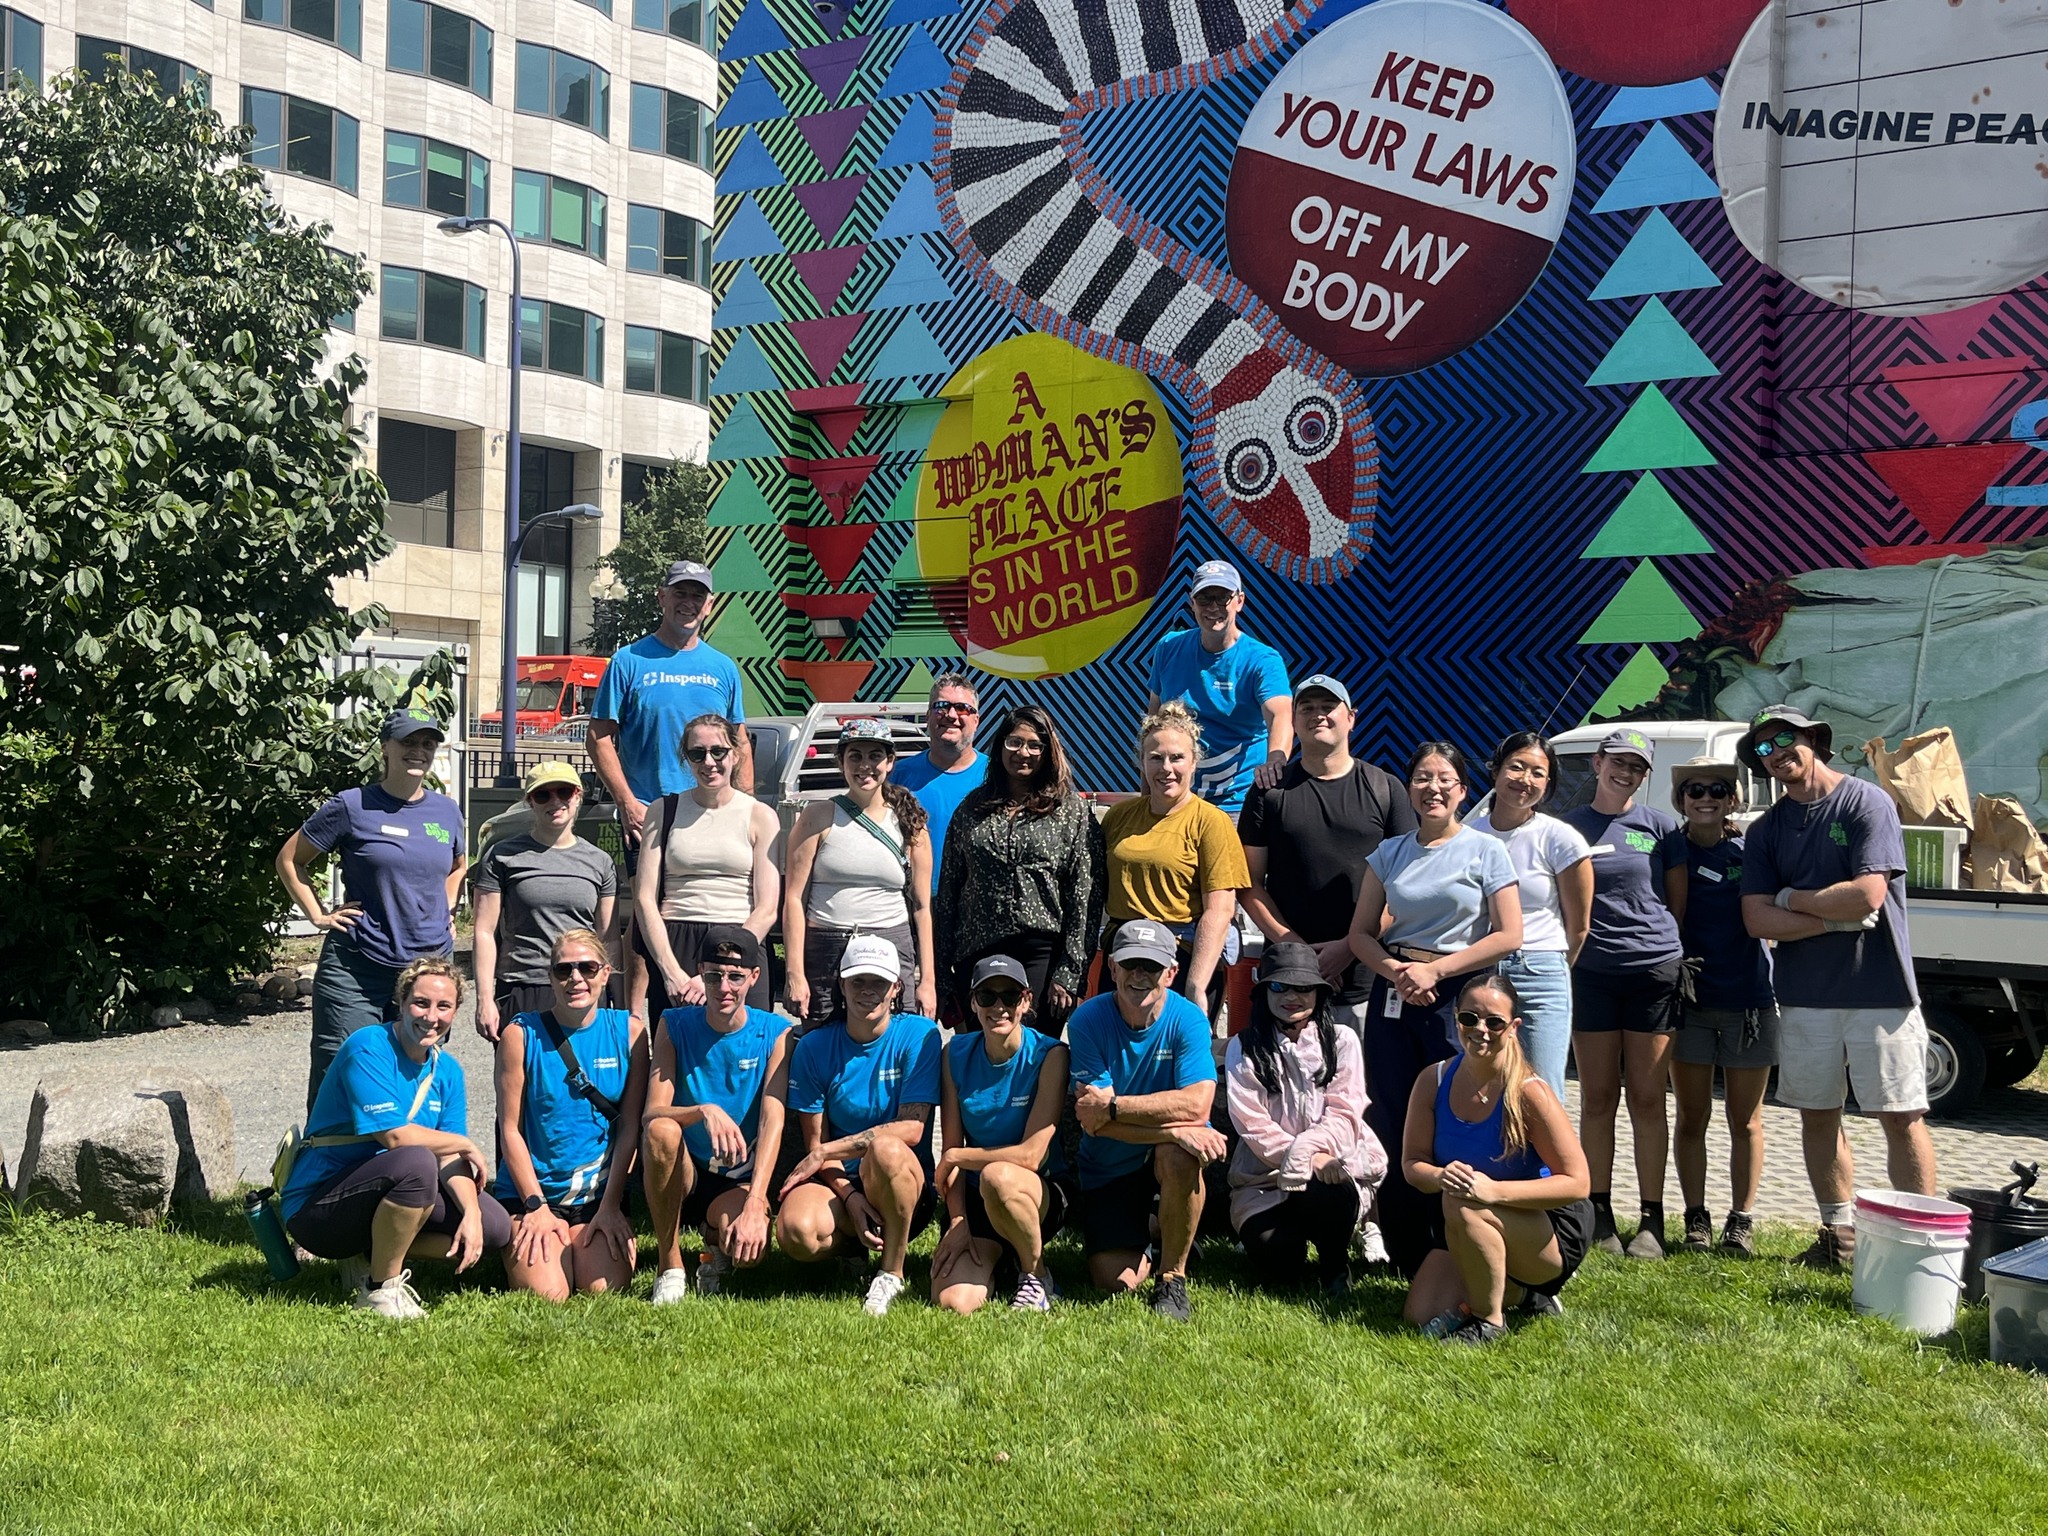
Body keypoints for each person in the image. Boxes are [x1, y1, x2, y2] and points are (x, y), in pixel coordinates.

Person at [1738, 706, 1937, 1271]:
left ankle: (1918, 1243)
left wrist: (1789, 898)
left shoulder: (1866, 802)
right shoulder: (1766, 830)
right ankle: (1838, 1236)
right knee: (1818, 1116)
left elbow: (1868, 896)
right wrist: (1830, 918)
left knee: (1900, 1116)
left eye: (1784, 738)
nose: (1776, 753)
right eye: (1762, 748)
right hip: (1804, 996)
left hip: (1882, 991)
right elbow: (1756, 919)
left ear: (1812, 739)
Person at [1346, 741, 1523, 1279]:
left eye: (1445, 779)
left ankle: (1461, 1240)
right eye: (1423, 778)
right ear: (1409, 789)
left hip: (1460, 997)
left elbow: (1509, 934)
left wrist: (1437, 972)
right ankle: (1404, 1250)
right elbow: (1360, 935)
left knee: (1457, 1111)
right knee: (1395, 1114)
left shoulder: (1486, 851)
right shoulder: (1389, 853)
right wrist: (1399, 972)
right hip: (1396, 992)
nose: (1433, 788)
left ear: (1463, 790)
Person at [280, 957, 508, 1319]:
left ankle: (373, 1253)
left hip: (387, 1185)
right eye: (420, 1003)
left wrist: (471, 1214)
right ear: (400, 1003)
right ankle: (379, 1290)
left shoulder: (447, 1071)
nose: (431, 1016)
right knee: (416, 1162)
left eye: (443, 1006)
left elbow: (448, 1157)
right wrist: (466, 1144)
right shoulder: (369, 1046)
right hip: (318, 1206)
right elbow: (396, 1138)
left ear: (455, 1012)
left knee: (495, 1226)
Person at [277, 707, 466, 1110]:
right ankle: (327, 1152)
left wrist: (447, 911)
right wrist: (317, 915)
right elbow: (290, 859)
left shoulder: (447, 811)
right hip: (357, 965)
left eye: (427, 743)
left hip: (427, 966)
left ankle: (406, 1150)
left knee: (414, 1073)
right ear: (385, 747)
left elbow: (457, 867)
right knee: (343, 1072)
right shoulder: (352, 805)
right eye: (408, 742)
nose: (419, 751)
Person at [586, 559, 750, 1018]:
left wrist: (747, 805)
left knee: (707, 912)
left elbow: (739, 741)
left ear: (709, 604)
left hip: (714, 812)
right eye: (680, 593)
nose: (688, 603)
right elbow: (599, 737)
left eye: (698, 595)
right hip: (652, 813)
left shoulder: (723, 668)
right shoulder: (628, 661)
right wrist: (627, 802)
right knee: (645, 918)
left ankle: (707, 1007)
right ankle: (635, 1021)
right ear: (662, 598)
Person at [1400, 973, 1594, 1345]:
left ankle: (1489, 1322)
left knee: (1463, 1202)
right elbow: (1413, 1165)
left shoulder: (1529, 1092)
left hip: (1548, 1230)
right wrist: (1440, 1176)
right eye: (1469, 1018)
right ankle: (1522, 1294)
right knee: (1420, 1313)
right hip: (1469, 1214)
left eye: (1494, 1022)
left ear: (1514, 1027)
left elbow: (1578, 1183)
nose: (1481, 1030)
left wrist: (1493, 1192)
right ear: (1456, 1018)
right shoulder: (1432, 1080)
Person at [1560, 727, 1685, 1261]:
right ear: (1597, 763)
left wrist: (1656, 947)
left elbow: (1675, 901)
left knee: (1648, 1098)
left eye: (1637, 767)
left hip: (1652, 972)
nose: (1626, 773)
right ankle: (1598, 1213)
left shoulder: (1661, 827)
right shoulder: (1567, 828)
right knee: (1597, 1098)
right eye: (1618, 762)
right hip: (1591, 974)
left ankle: (1652, 1219)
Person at [1066, 920, 1229, 1322]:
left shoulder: (1189, 1019)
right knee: (1113, 1281)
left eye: (1152, 967)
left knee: (1180, 1157)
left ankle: (1172, 1278)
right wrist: (1175, 1130)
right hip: (1108, 1163)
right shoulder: (1086, 1020)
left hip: (1164, 1154)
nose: (1139, 975)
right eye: (1130, 964)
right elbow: (1093, 1122)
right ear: (1112, 968)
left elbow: (1198, 1104)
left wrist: (1114, 1107)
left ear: (1171, 973)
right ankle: (1160, 1228)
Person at [1239, 673, 1416, 1041]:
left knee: (1360, 1078)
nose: (1318, 714)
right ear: (1294, 721)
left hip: (1365, 982)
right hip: (1285, 983)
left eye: (1328, 706)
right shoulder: (1268, 793)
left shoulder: (1386, 788)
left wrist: (1350, 947)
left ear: (1351, 718)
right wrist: (1299, 952)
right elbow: (1249, 885)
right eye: (1307, 707)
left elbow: (1406, 887)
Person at [776, 936, 943, 1315]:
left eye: (879, 983)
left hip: (903, 1186)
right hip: (841, 1183)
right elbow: (814, 1143)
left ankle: (891, 1272)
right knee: (796, 1231)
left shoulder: (919, 1035)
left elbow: (912, 1129)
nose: (868, 991)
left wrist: (826, 1150)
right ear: (842, 985)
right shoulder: (814, 1047)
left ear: (896, 987)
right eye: (858, 981)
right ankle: (851, 1250)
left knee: (886, 1148)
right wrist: (850, 1197)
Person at [641, 925, 795, 1303]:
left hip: (738, 1176)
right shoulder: (673, 1023)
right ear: (700, 973)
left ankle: (714, 1233)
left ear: (754, 977)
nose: (724, 987)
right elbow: (651, 1113)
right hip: (687, 1170)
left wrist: (757, 1200)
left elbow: (772, 1119)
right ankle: (670, 1266)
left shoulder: (776, 1032)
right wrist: (704, 1111)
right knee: (661, 1131)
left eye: (735, 977)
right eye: (713, 976)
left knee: (749, 1253)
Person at [1223, 942, 1387, 1296]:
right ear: (1263, 991)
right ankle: (1289, 1240)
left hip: (1332, 1166)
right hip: (1264, 1180)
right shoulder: (1243, 1046)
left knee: (1332, 1190)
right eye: (1279, 986)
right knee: (1279, 1260)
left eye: (1303, 987)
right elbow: (1253, 1125)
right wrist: (1306, 1157)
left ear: (1319, 992)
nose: (1291, 997)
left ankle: (1334, 1263)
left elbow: (1345, 1112)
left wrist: (1316, 1157)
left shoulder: (1342, 1040)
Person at [491, 929, 647, 1301]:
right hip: (532, 1193)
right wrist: (535, 1206)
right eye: (564, 970)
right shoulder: (520, 1034)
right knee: (549, 1294)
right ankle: (529, 1229)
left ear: (605, 974)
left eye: (587, 968)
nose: (575, 979)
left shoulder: (629, 1033)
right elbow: (509, 1130)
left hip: (597, 1195)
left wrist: (611, 1205)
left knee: (603, 1289)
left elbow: (629, 1126)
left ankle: (588, 1232)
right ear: (550, 977)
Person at [1662, 758, 1777, 1258]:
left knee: (1745, 1120)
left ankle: (1740, 1221)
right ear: (1680, 799)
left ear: (1732, 799)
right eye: (1694, 790)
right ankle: (1696, 1218)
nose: (1705, 798)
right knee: (1691, 1116)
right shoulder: (1669, 851)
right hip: (1690, 1003)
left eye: (1716, 790)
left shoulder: (1751, 853)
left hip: (1749, 1002)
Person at [934, 703, 1103, 1038]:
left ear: (1048, 751)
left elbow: (1085, 896)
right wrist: (942, 974)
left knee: (1036, 1053)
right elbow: (949, 890)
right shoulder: (972, 808)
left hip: (1043, 953)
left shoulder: (1072, 811)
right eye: (1014, 742)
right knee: (982, 1050)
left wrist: (1071, 971)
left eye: (1034, 745)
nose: (1023, 752)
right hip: (976, 949)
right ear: (999, 747)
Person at [929, 955, 1074, 1314]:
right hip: (977, 1195)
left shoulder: (1050, 1055)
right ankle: (1004, 1258)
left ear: (1026, 1001)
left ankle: (1036, 1275)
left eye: (1009, 996)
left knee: (998, 1177)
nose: (998, 1007)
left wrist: (958, 1157)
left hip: (1034, 1191)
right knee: (953, 1302)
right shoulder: (954, 1054)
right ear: (973, 1003)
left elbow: (1031, 1156)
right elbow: (951, 1145)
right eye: (987, 996)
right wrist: (958, 1219)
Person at [783, 717, 938, 1024]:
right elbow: (794, 899)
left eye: (875, 756)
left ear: (890, 762)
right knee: (824, 1041)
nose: (865, 766)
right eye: (855, 756)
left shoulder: (911, 824)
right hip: (828, 950)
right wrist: (795, 973)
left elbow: (922, 908)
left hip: (891, 946)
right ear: (841, 762)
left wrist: (928, 982)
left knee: (894, 1040)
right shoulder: (817, 816)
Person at [1100, 701, 1250, 1016]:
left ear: (1194, 762)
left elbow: (1220, 910)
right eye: (1155, 758)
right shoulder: (1118, 817)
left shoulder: (1211, 822)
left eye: (1177, 758)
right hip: (1122, 958)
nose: (1166, 768)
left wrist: (1196, 985)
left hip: (1179, 962)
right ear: (1141, 762)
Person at [1466, 732, 1593, 1097]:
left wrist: (1547, 966)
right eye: (1516, 767)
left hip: (1540, 972)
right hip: (1479, 972)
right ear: (1495, 770)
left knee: (1541, 1089)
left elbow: (1579, 926)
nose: (1525, 779)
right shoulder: (1468, 836)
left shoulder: (1560, 838)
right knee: (1483, 1086)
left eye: (1538, 773)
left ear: (1548, 784)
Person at [634, 714, 780, 1019]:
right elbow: (645, 898)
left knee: (747, 1044)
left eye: (718, 751)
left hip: (743, 941)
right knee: (676, 1044)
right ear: (686, 758)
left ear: (735, 755)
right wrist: (671, 971)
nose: (709, 762)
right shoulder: (663, 811)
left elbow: (767, 908)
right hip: (677, 942)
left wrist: (722, 967)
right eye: (697, 753)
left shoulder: (761, 815)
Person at [471, 761, 618, 1043]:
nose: (555, 801)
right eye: (543, 795)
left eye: (564, 792)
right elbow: (484, 931)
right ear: (530, 802)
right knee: (520, 1070)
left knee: (583, 1070)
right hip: (523, 985)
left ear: (578, 795)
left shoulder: (600, 861)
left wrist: (617, 1000)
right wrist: (485, 999)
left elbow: (608, 935)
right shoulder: (502, 856)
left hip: (582, 984)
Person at [1145, 559, 1293, 819]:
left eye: (1222, 598)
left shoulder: (1262, 660)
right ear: (1192, 603)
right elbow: (1152, 727)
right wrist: (1147, 797)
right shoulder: (1168, 647)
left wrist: (1275, 760)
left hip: (1237, 802)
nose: (1213, 607)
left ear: (1239, 601)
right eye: (1204, 598)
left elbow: (1280, 715)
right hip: (1177, 799)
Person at [891, 675, 989, 897]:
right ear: (928, 716)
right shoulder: (897, 776)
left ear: (976, 720)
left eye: (962, 708)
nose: (951, 715)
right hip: (910, 901)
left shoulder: (995, 776)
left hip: (976, 904)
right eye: (942, 706)